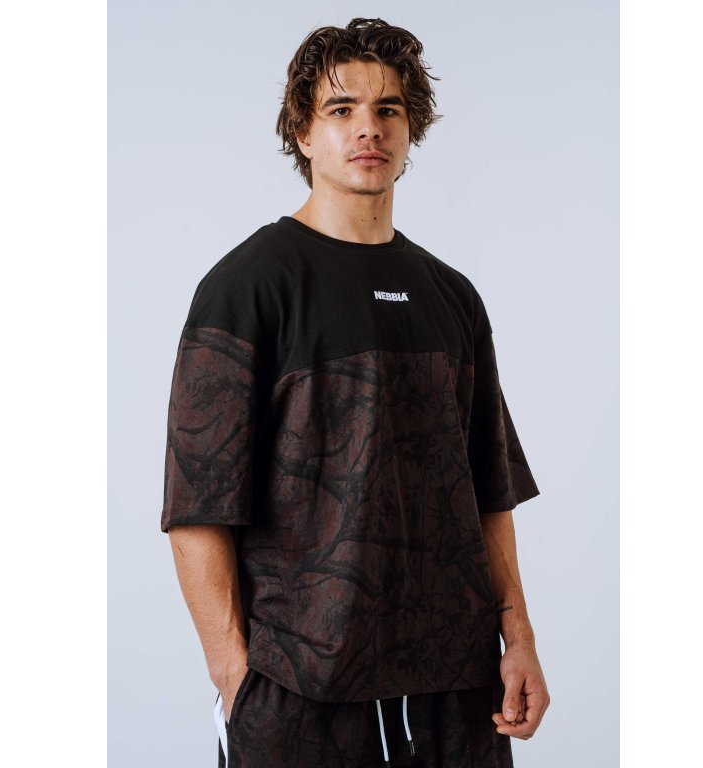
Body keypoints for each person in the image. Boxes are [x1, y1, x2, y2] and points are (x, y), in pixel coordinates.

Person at [161, 17, 550, 768]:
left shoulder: (452, 297)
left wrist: (519, 636)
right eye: (341, 109)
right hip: (302, 695)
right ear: (303, 132)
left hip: (456, 693)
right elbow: (197, 507)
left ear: (411, 130)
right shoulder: (247, 289)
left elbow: (488, 488)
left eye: (388, 109)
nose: (368, 128)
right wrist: (236, 680)